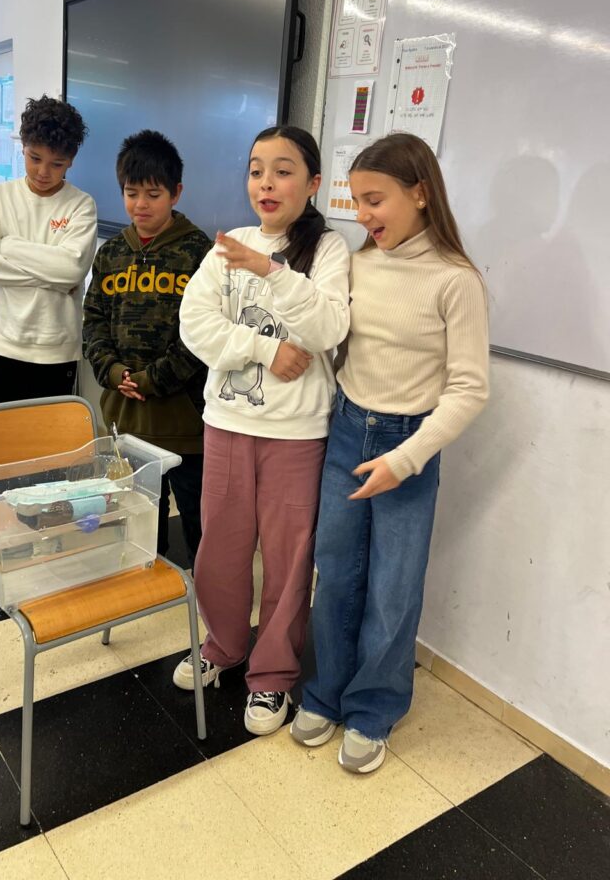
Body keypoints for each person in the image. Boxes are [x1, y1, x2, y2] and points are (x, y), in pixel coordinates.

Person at [290, 132, 489, 773]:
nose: (364, 216)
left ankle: (373, 709)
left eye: (375, 200)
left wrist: (406, 459)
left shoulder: (456, 280)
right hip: (348, 428)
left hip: (409, 442)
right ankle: (325, 692)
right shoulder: (359, 264)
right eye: (357, 201)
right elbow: (335, 340)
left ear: (420, 194)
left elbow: (469, 389)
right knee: (335, 570)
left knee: (393, 586)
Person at [173, 125, 350, 736]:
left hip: (297, 433)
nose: (266, 183)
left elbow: (327, 329)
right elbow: (194, 322)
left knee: (287, 560)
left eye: (282, 170)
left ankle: (273, 674)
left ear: (313, 183)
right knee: (219, 548)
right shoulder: (232, 243)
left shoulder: (329, 250)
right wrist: (265, 349)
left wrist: (270, 272)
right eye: (256, 170)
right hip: (226, 421)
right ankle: (223, 646)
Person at [0, 95, 97, 552]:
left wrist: (10, 247)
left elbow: (71, 270)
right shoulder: (0, 197)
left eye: (56, 164)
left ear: (70, 161)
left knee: (45, 448)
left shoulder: (81, 206)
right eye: (35, 158)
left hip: (52, 346)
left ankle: (36, 523)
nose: (43, 172)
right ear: (23, 148)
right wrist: (48, 271)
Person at [82, 129, 210, 567]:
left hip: (186, 422)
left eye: (153, 194)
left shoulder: (200, 253)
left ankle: (205, 591)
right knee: (139, 519)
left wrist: (154, 379)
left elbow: (203, 334)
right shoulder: (111, 253)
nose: (141, 204)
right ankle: (147, 583)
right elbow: (93, 320)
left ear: (176, 193)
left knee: (198, 520)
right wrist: (113, 372)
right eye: (131, 193)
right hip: (127, 418)